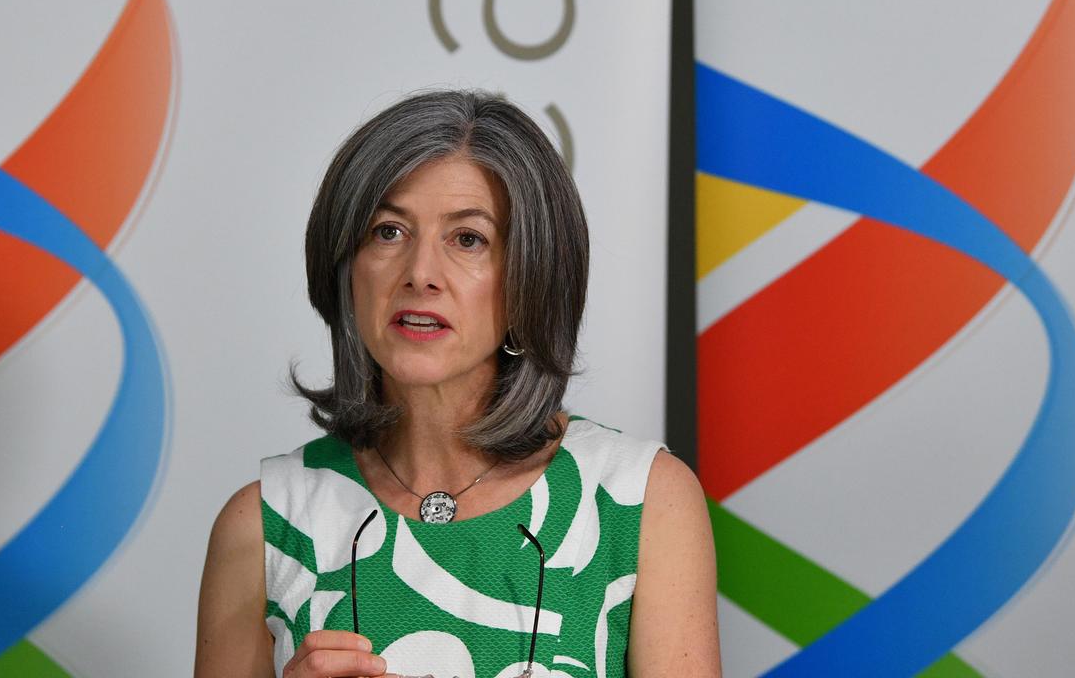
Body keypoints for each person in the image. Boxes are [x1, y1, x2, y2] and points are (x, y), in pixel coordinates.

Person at [195, 90, 720, 677]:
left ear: (534, 278)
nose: (420, 274)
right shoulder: (264, 524)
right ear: (345, 269)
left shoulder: (641, 501)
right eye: (387, 231)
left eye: (468, 239)